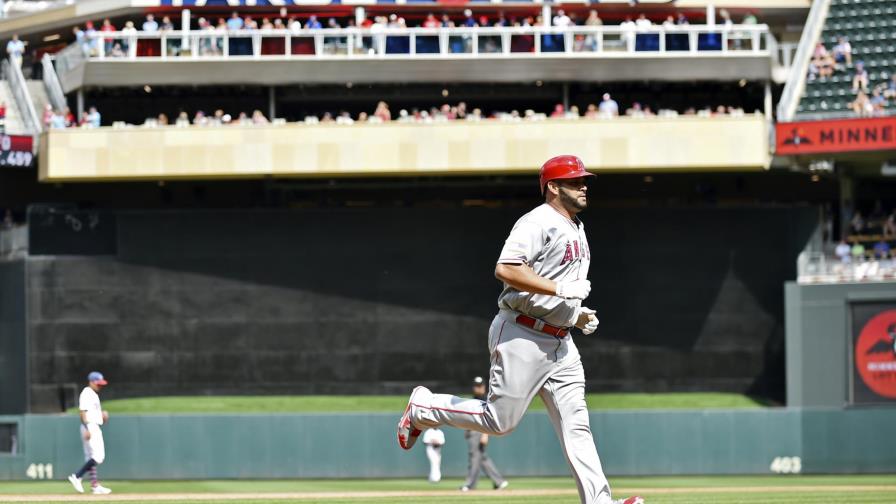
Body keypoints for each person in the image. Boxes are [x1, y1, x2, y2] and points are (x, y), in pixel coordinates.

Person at [397, 155, 644, 504]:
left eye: (584, 180)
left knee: (577, 425)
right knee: (500, 422)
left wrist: (574, 314)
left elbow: (557, 284)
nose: (583, 185)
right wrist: (560, 292)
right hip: (523, 335)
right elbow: (506, 269)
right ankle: (423, 409)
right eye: (574, 181)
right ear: (553, 187)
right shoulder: (537, 221)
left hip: (561, 343)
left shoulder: (576, 226)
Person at [460, 376, 508, 492]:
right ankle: (499, 481)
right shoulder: (474, 398)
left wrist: (485, 434)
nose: (477, 388)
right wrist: (467, 429)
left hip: (480, 431)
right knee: (481, 458)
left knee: (474, 456)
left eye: (480, 385)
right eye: (476, 385)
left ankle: (470, 484)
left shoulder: (486, 399)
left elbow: (488, 419)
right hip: (474, 429)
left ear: (484, 386)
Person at [68, 372, 112, 495]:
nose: (100, 386)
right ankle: (77, 476)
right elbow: (83, 412)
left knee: (91, 457)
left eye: (101, 384)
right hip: (90, 426)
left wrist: (101, 416)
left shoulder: (92, 394)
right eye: (98, 383)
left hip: (92, 425)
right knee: (98, 457)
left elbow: (91, 412)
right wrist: (87, 427)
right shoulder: (87, 393)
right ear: (91, 382)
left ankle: (94, 486)